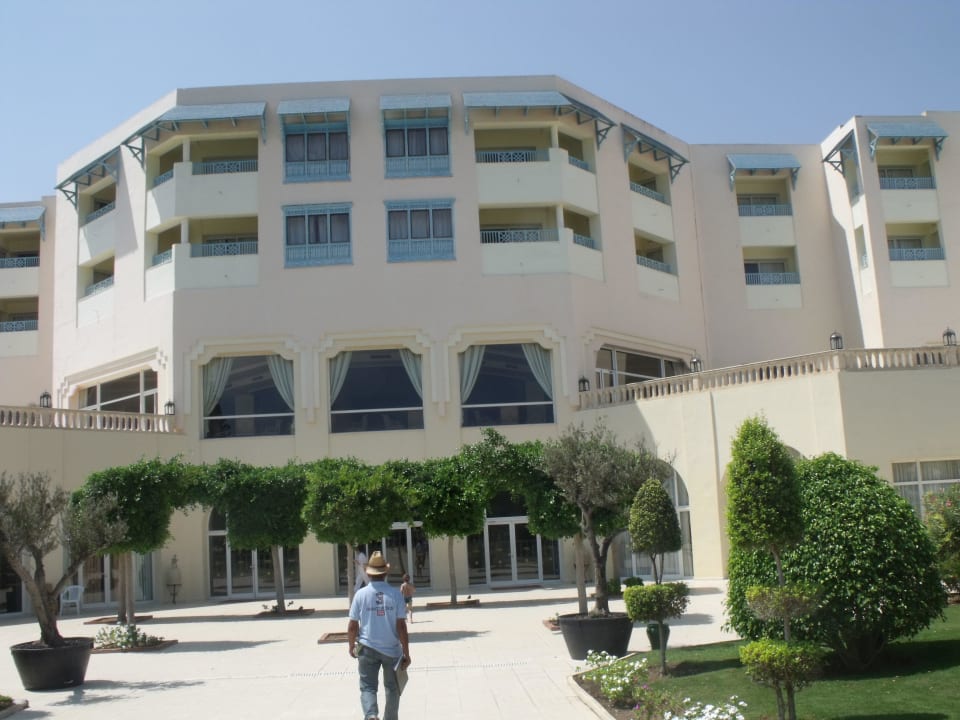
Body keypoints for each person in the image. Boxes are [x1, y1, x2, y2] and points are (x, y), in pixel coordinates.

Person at [348, 551, 410, 720]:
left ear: (369, 573)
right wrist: (406, 653)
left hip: (367, 648)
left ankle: (371, 715)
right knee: (392, 688)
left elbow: (353, 625)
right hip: (391, 650)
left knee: (368, 687)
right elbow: (401, 627)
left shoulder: (360, 595)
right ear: (385, 573)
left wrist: (351, 645)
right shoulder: (395, 594)